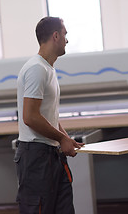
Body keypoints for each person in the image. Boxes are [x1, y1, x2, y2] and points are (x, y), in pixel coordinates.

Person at [14, 16, 84, 214]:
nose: (67, 40)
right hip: (36, 157)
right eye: (65, 35)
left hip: (51, 154)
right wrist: (62, 138)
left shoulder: (48, 68)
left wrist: (65, 138)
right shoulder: (37, 69)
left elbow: (47, 114)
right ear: (55, 36)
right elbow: (30, 116)